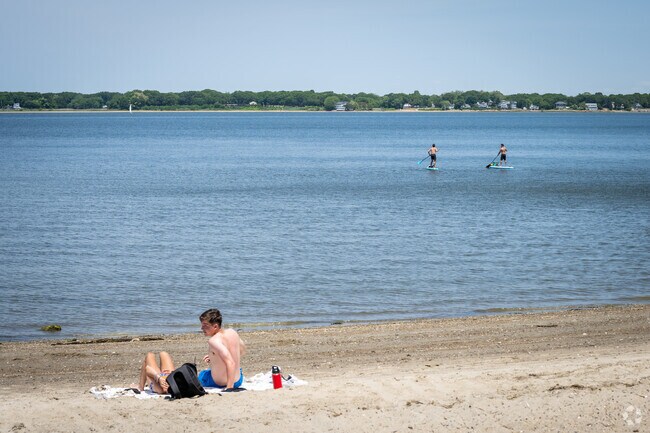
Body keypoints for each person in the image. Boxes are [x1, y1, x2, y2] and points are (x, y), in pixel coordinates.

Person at [198, 308, 246, 390]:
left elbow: (231, 363)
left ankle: (229, 384)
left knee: (202, 375)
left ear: (215, 326)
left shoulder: (213, 341)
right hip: (238, 380)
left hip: (221, 383)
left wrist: (229, 387)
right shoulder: (232, 332)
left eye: (205, 325)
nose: (202, 328)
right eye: (202, 325)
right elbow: (242, 351)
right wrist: (214, 356)